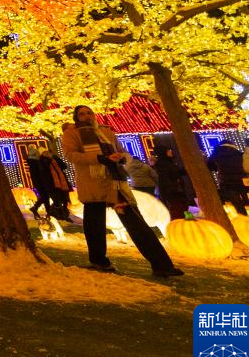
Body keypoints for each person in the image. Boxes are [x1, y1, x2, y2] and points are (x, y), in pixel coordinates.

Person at [62, 105, 183, 277]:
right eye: (82, 114)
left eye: (89, 112)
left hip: (115, 183)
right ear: (76, 117)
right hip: (93, 183)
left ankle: (161, 264)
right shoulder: (71, 133)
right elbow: (71, 155)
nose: (86, 116)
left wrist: (122, 157)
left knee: (136, 222)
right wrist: (99, 158)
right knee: (94, 225)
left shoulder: (106, 131)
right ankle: (99, 261)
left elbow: (122, 150)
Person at [207, 141, 248, 215]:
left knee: (235, 201)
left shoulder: (216, 154)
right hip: (241, 179)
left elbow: (210, 166)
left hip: (225, 180)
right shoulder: (239, 153)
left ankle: (242, 214)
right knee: (246, 199)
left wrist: (217, 168)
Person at [153, 147, 190, 220]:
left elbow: (176, 173)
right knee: (177, 209)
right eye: (168, 151)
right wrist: (172, 188)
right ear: (163, 153)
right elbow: (167, 177)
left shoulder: (169, 162)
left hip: (176, 189)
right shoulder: (162, 164)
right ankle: (178, 222)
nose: (170, 152)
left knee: (182, 207)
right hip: (172, 191)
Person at [40, 146, 72, 220]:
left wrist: (56, 158)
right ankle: (58, 215)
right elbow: (45, 170)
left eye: (47, 152)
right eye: (44, 153)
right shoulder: (42, 161)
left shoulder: (54, 159)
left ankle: (64, 216)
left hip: (63, 183)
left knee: (65, 200)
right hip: (53, 184)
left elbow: (64, 166)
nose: (46, 154)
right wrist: (49, 159)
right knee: (57, 201)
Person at [23, 145, 51, 218]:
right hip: (41, 181)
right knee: (46, 196)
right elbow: (41, 172)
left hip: (38, 181)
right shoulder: (37, 162)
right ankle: (48, 212)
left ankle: (37, 208)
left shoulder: (32, 163)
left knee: (45, 196)